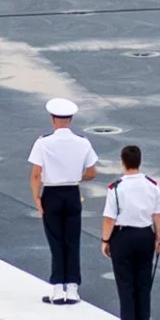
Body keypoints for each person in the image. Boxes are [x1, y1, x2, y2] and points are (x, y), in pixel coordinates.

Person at [29, 100, 96, 301]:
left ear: (53, 120)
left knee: (55, 240)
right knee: (72, 240)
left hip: (51, 193)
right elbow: (92, 172)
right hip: (73, 193)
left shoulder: (43, 142)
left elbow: (35, 174)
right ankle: (73, 288)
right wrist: (76, 176)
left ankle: (58, 288)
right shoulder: (83, 142)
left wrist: (36, 198)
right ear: (71, 119)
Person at [104, 144, 160, 320]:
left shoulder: (116, 188)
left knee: (125, 283)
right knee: (143, 282)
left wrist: (105, 240)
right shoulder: (152, 185)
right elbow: (158, 217)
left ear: (122, 162)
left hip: (123, 237)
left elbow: (109, 219)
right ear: (139, 162)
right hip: (145, 236)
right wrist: (159, 240)